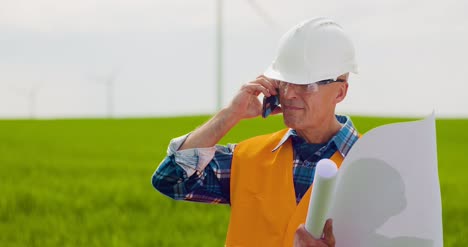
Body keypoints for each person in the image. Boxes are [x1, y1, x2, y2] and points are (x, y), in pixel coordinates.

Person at [152, 17, 360, 247]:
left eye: (305, 85)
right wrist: (231, 113)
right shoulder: (249, 157)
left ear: (340, 92)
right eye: (284, 82)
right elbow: (170, 178)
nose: (289, 94)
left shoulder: (373, 166)